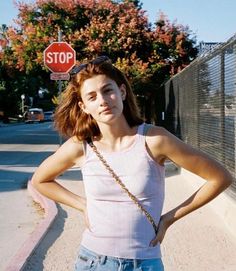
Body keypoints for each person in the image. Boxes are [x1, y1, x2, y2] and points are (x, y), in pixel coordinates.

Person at [31, 56, 232, 271]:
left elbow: (220, 177)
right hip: (93, 261)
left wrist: (168, 219)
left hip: (144, 263)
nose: (103, 100)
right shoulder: (81, 146)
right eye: (92, 97)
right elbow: (40, 181)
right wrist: (83, 205)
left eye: (108, 90)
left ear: (122, 92)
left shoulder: (154, 140)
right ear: (84, 106)